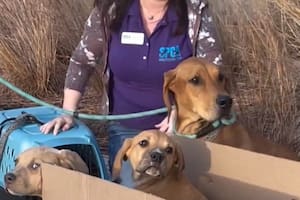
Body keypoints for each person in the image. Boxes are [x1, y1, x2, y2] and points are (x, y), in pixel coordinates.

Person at [40, 0, 222, 187]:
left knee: (181, 189)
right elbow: (82, 61)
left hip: (180, 129)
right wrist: (68, 113)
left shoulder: (194, 11)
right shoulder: (110, 9)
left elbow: (214, 72)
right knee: (128, 190)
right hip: (126, 129)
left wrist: (181, 111)